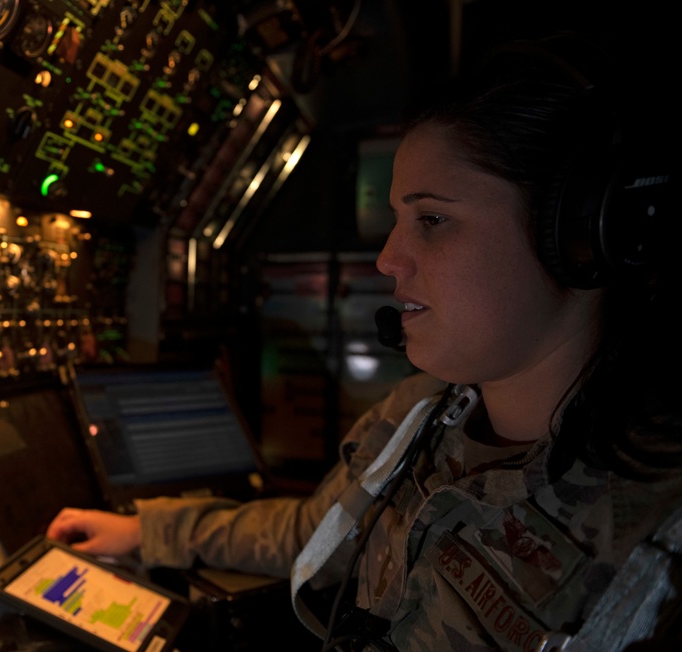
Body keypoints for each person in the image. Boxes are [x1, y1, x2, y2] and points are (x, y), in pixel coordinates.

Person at [48, 31, 682, 651]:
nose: (387, 259)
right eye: (397, 221)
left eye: (432, 219)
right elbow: (315, 530)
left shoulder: (660, 529)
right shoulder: (417, 416)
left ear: (577, 236)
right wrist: (145, 530)